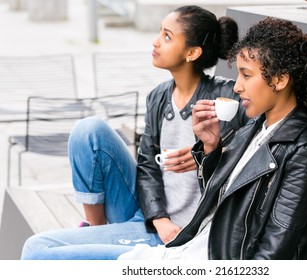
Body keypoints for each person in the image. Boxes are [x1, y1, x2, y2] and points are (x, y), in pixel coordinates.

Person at [21, 5, 248, 260]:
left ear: (192, 53)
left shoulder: (226, 99)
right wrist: (158, 217)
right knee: (89, 130)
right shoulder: (159, 96)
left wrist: (208, 153)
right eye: (160, 32)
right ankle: (99, 232)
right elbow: (148, 165)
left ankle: (105, 242)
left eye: (167, 36)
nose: (156, 41)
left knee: (36, 252)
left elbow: (257, 145)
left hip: (181, 233)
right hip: (152, 217)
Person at [118, 16, 307, 260]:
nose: (236, 86)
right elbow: (216, 203)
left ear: (279, 80)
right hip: (188, 250)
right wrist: (211, 148)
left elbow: (273, 253)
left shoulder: (303, 151)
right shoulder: (254, 129)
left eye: (246, 75)